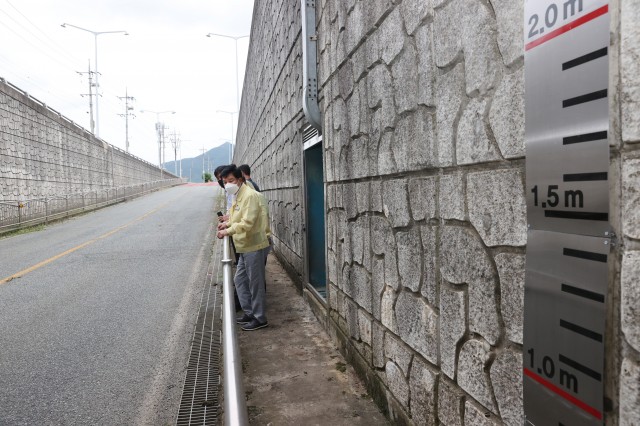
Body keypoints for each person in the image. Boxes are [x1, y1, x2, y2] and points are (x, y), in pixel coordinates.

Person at [217, 165, 269, 331]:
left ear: (240, 179)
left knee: (256, 284)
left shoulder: (250, 196)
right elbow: (236, 216)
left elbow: (247, 223)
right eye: (225, 182)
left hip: (254, 245)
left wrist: (227, 230)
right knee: (239, 280)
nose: (228, 185)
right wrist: (227, 223)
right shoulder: (237, 195)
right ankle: (249, 312)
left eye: (231, 181)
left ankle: (260, 318)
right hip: (243, 246)